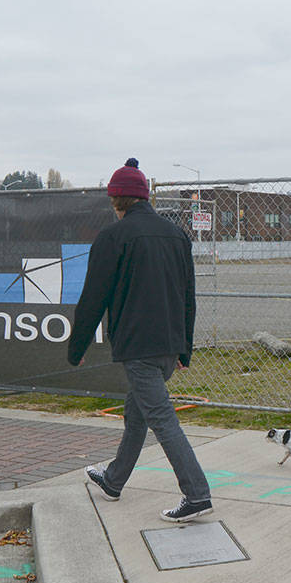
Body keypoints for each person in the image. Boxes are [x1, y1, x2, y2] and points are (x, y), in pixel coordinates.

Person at [67, 158, 212, 522]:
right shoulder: (177, 235)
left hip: (139, 348)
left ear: (117, 200)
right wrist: (185, 349)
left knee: (162, 419)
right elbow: (188, 296)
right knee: (138, 414)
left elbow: (93, 298)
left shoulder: (113, 237)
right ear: (144, 197)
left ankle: (197, 495)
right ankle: (114, 480)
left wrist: (77, 347)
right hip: (168, 346)